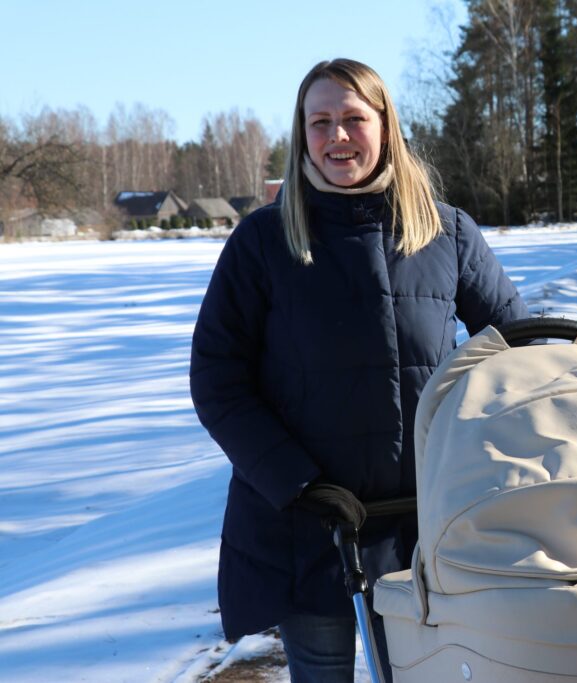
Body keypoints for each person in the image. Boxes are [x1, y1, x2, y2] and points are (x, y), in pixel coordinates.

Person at [189, 58, 528, 682]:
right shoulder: (264, 243)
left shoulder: (446, 233)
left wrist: (481, 458)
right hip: (308, 532)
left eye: (353, 119)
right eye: (321, 122)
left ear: (385, 126)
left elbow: (519, 352)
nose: (338, 137)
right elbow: (217, 379)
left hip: (427, 528)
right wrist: (300, 484)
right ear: (302, 135)